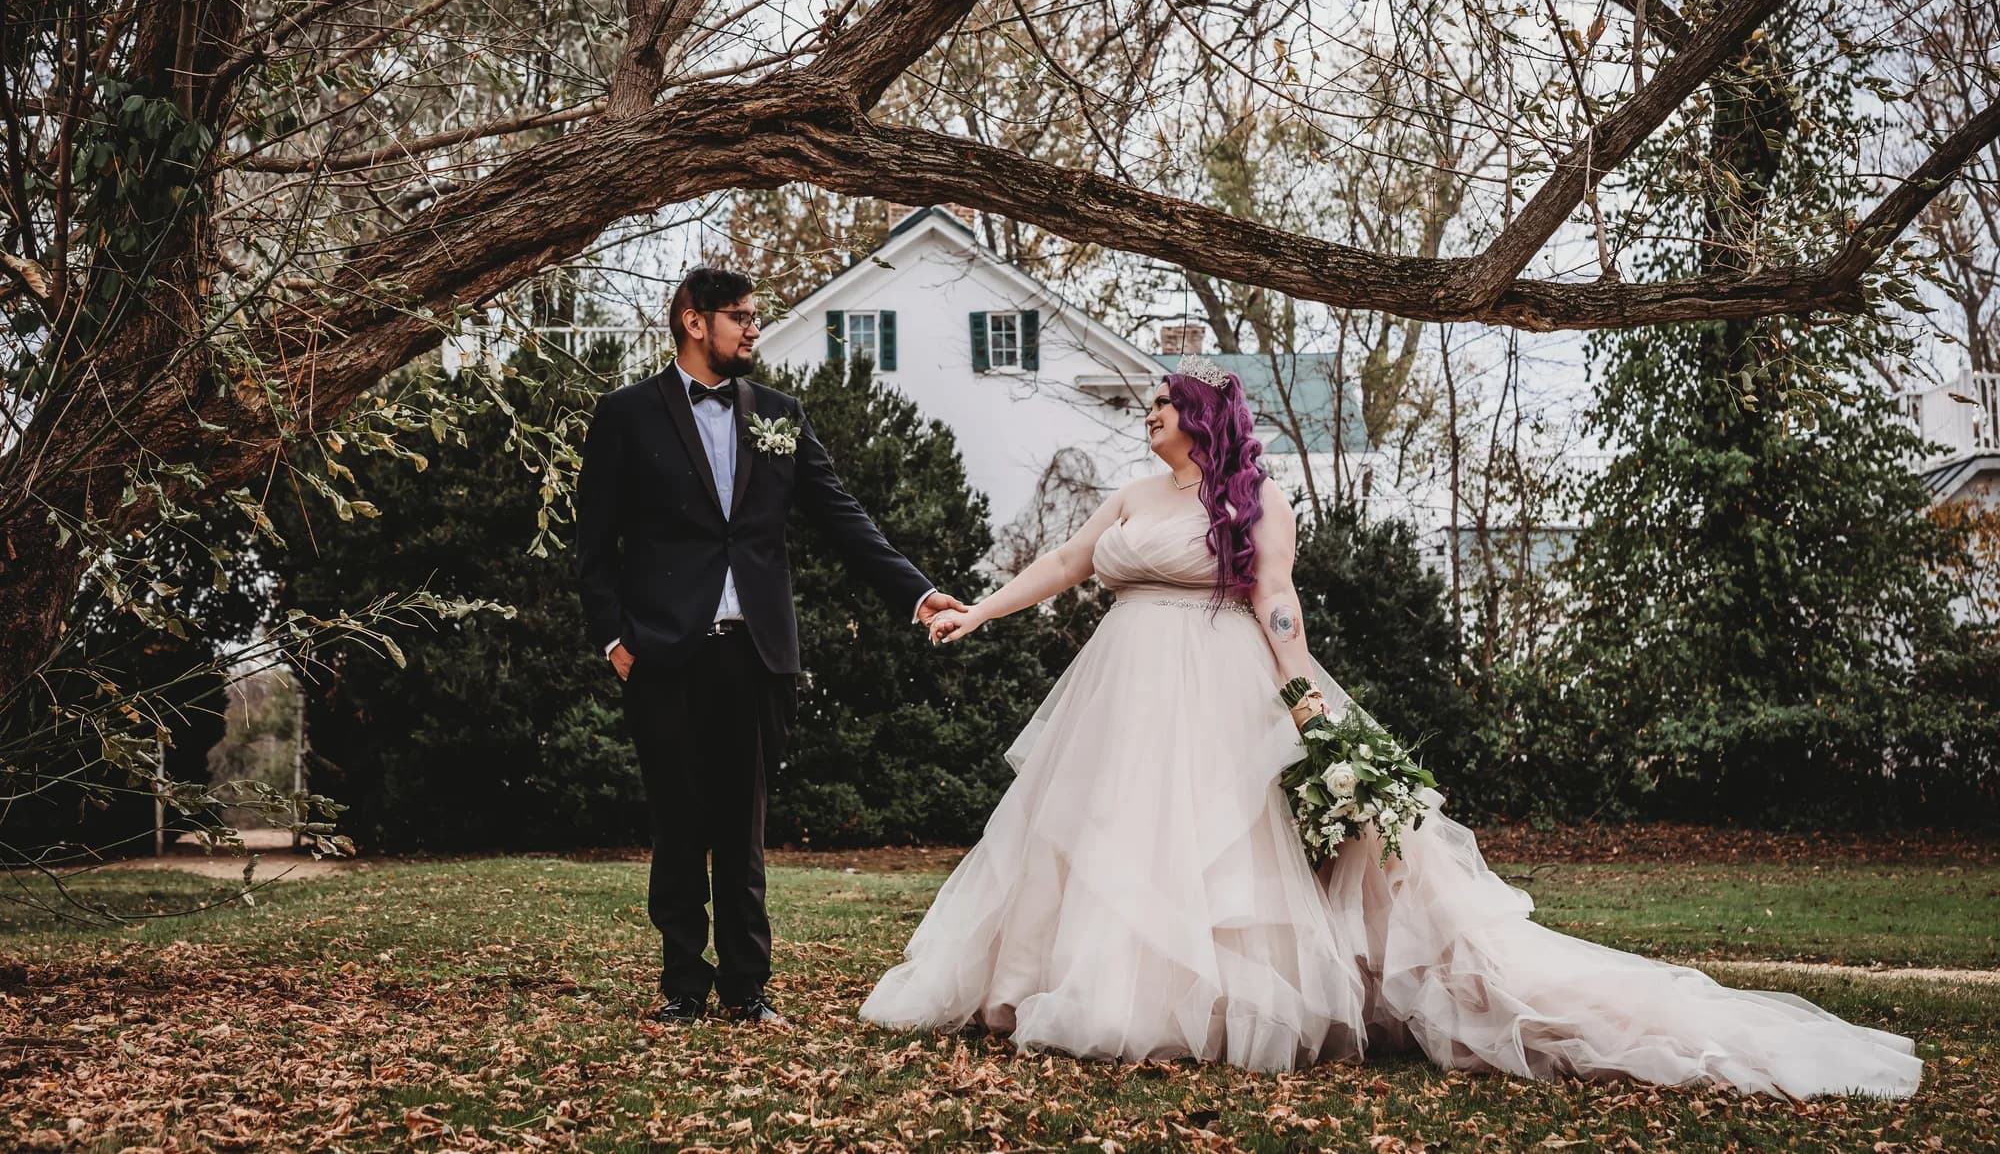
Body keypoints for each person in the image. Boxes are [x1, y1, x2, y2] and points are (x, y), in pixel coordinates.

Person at [861, 354, 1922, 1098]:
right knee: (1108, 840)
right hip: (1118, 691)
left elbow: (1276, 600)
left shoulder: (1248, 502)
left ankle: (1205, 1008)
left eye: (1159, 406)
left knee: (1223, 845)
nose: (1145, 417)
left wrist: (1303, 697)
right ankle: (1076, 986)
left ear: (1199, 419)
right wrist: (976, 609)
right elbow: (1061, 565)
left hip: (1220, 682)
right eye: (1146, 407)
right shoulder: (1133, 496)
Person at [575, 267, 966, 1028]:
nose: (755, 328)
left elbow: (844, 517)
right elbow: (594, 544)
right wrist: (615, 642)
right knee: (679, 826)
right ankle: (682, 987)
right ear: (694, 322)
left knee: (742, 829)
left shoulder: (780, 414)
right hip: (662, 653)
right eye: (740, 316)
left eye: (756, 316)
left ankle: (747, 988)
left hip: (756, 655)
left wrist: (917, 593)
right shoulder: (625, 414)